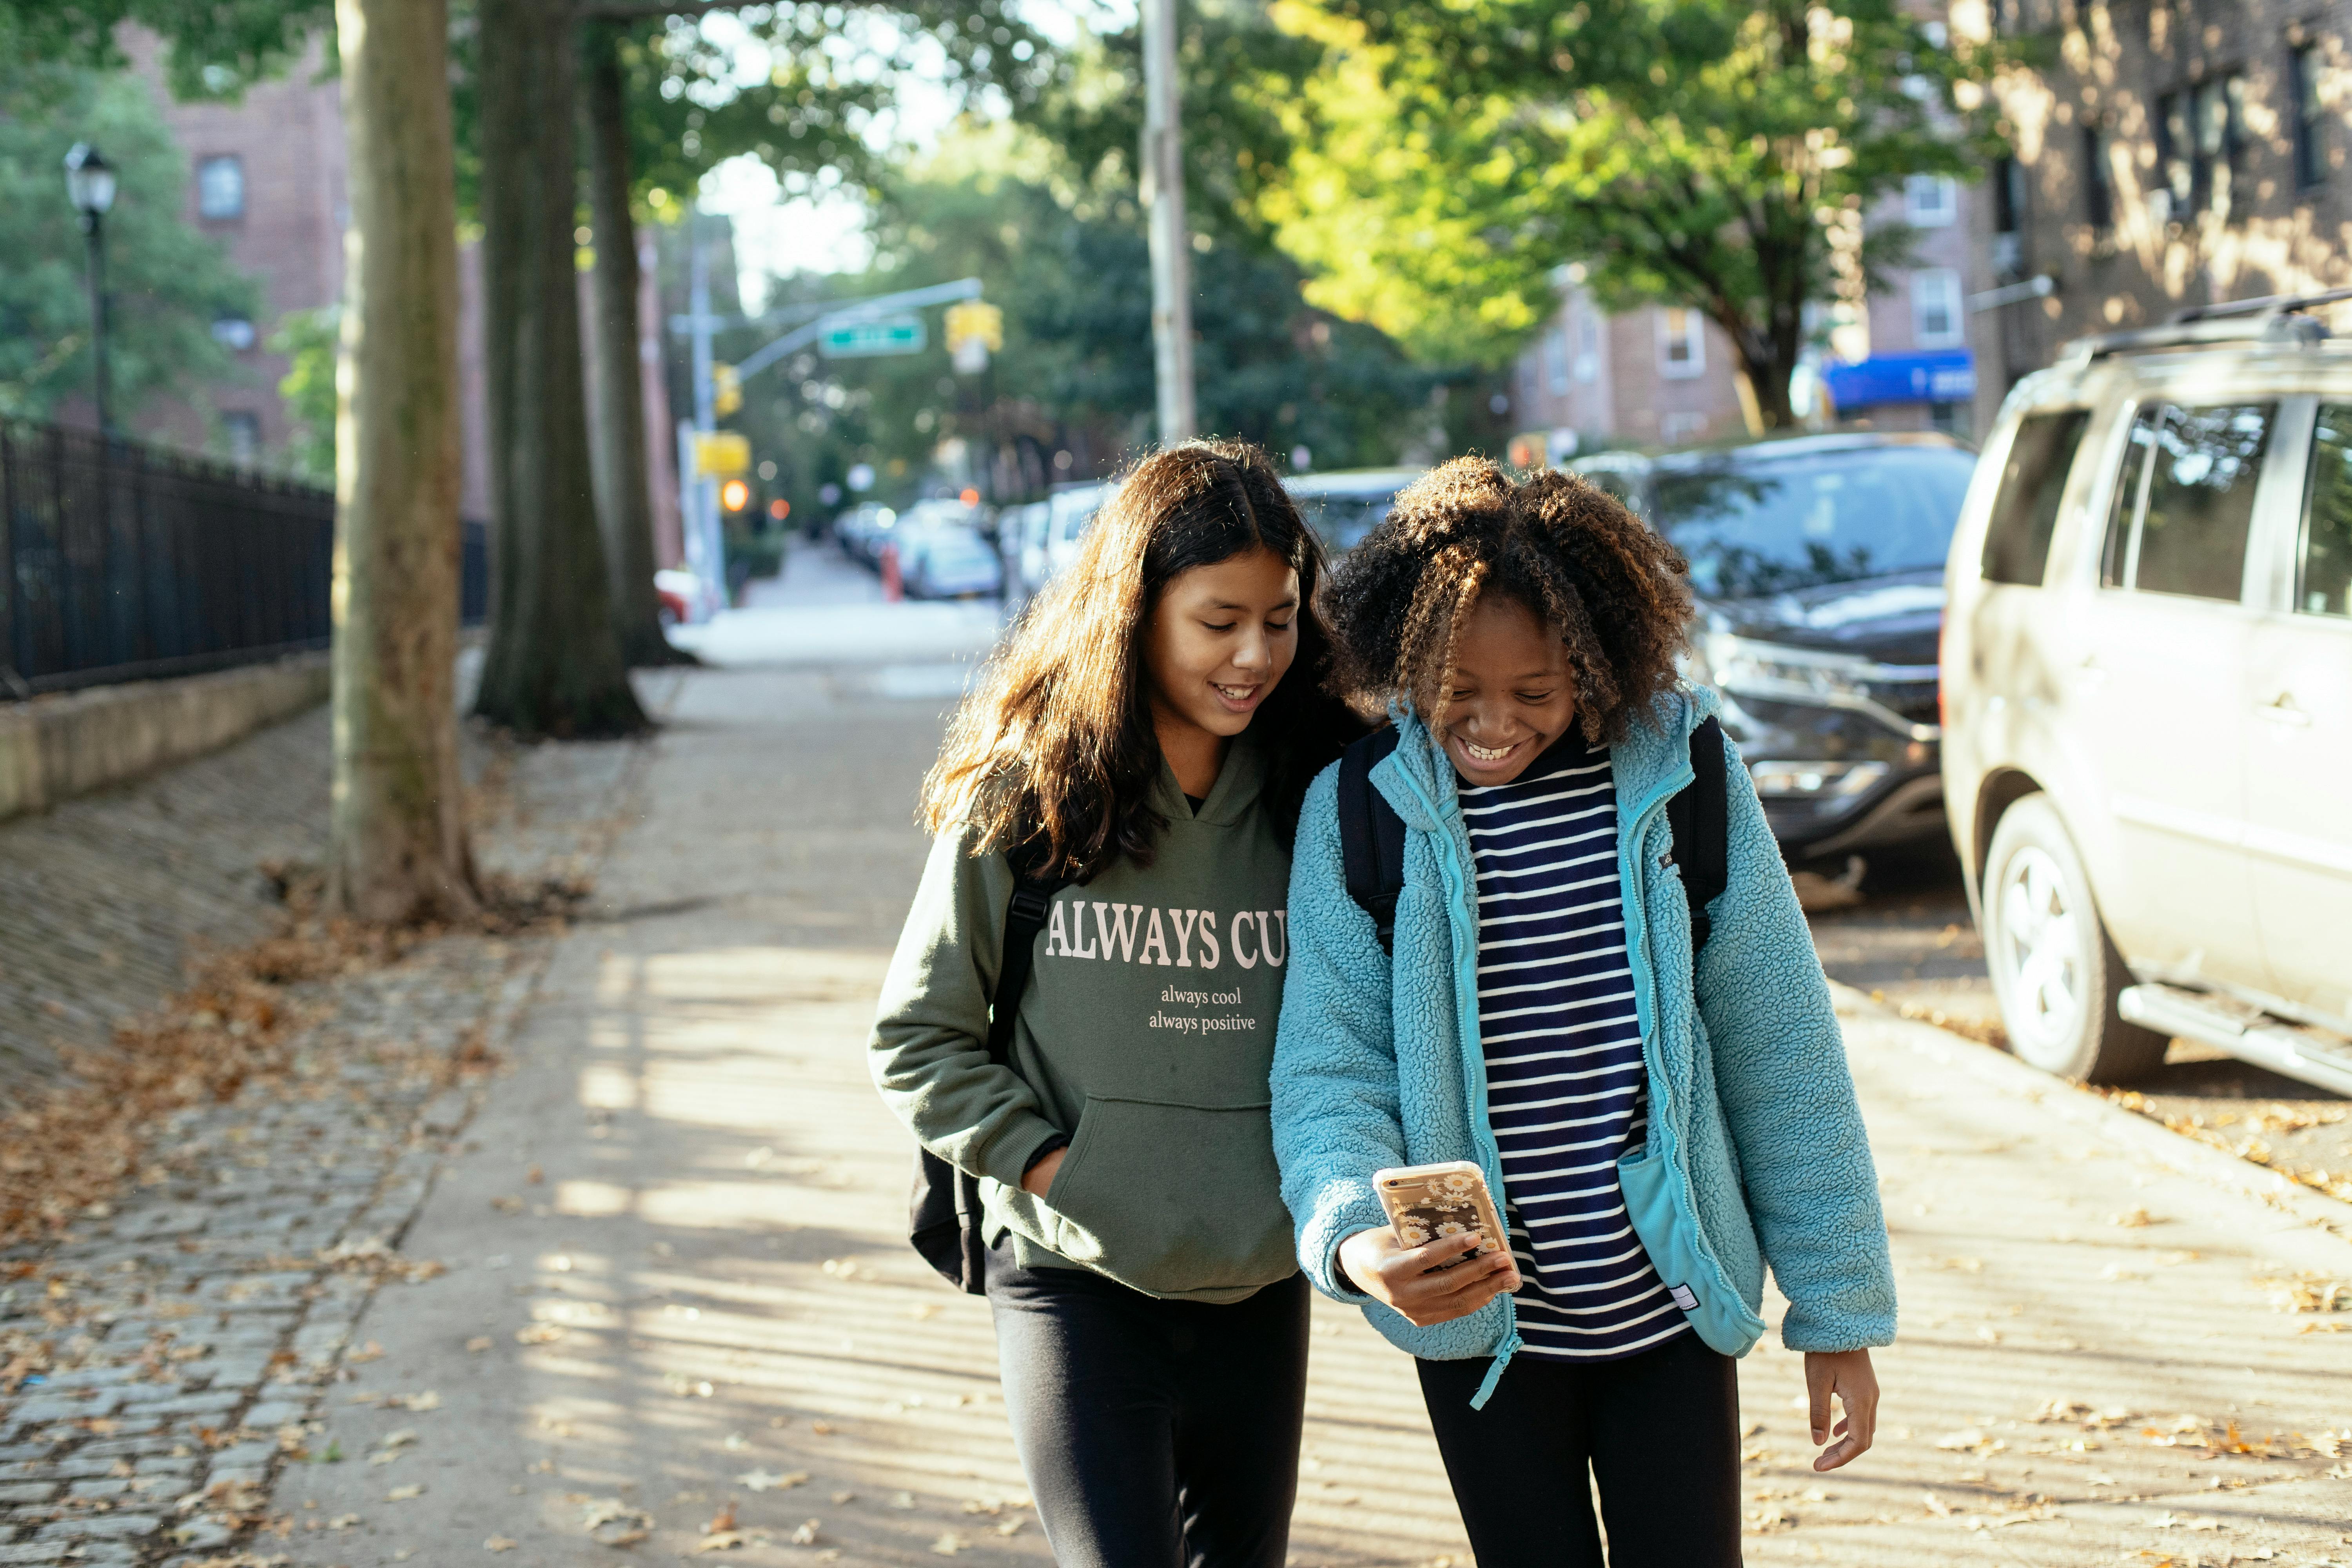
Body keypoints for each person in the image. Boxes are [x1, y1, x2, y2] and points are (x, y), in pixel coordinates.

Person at [1270, 459, 1896, 1566]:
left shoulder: (1682, 774)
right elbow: (1331, 1074)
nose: (1493, 725)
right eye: (1456, 690)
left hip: (1672, 1317)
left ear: (1597, 658)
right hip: (1481, 1342)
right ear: (1402, 654)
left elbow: (1783, 1051)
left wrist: (1837, 1311)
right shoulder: (1358, 814)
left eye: (1537, 692)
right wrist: (1355, 1240)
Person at [869, 440, 1360, 1568]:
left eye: (1280, 620)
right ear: (1135, 611)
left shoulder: (1328, 795)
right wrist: (1062, 1173)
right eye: (1218, 620)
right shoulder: (1029, 789)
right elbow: (917, 1038)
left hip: (1258, 1279)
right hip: (1070, 1277)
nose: (1253, 656)